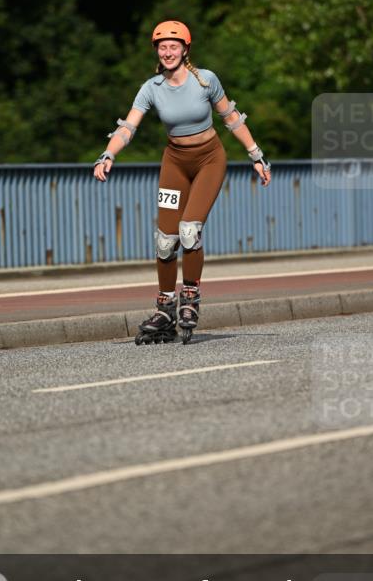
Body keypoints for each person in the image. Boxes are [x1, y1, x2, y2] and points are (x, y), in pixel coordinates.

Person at [93, 20, 271, 343]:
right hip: (175, 163)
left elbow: (231, 118)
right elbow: (128, 127)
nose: (168, 52)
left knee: (189, 231)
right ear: (156, 52)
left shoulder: (206, 80)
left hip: (209, 161)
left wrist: (256, 155)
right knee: (165, 239)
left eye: (174, 46)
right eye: (162, 47)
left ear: (185, 49)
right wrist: (108, 155)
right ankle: (165, 308)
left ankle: (190, 298)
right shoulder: (151, 88)